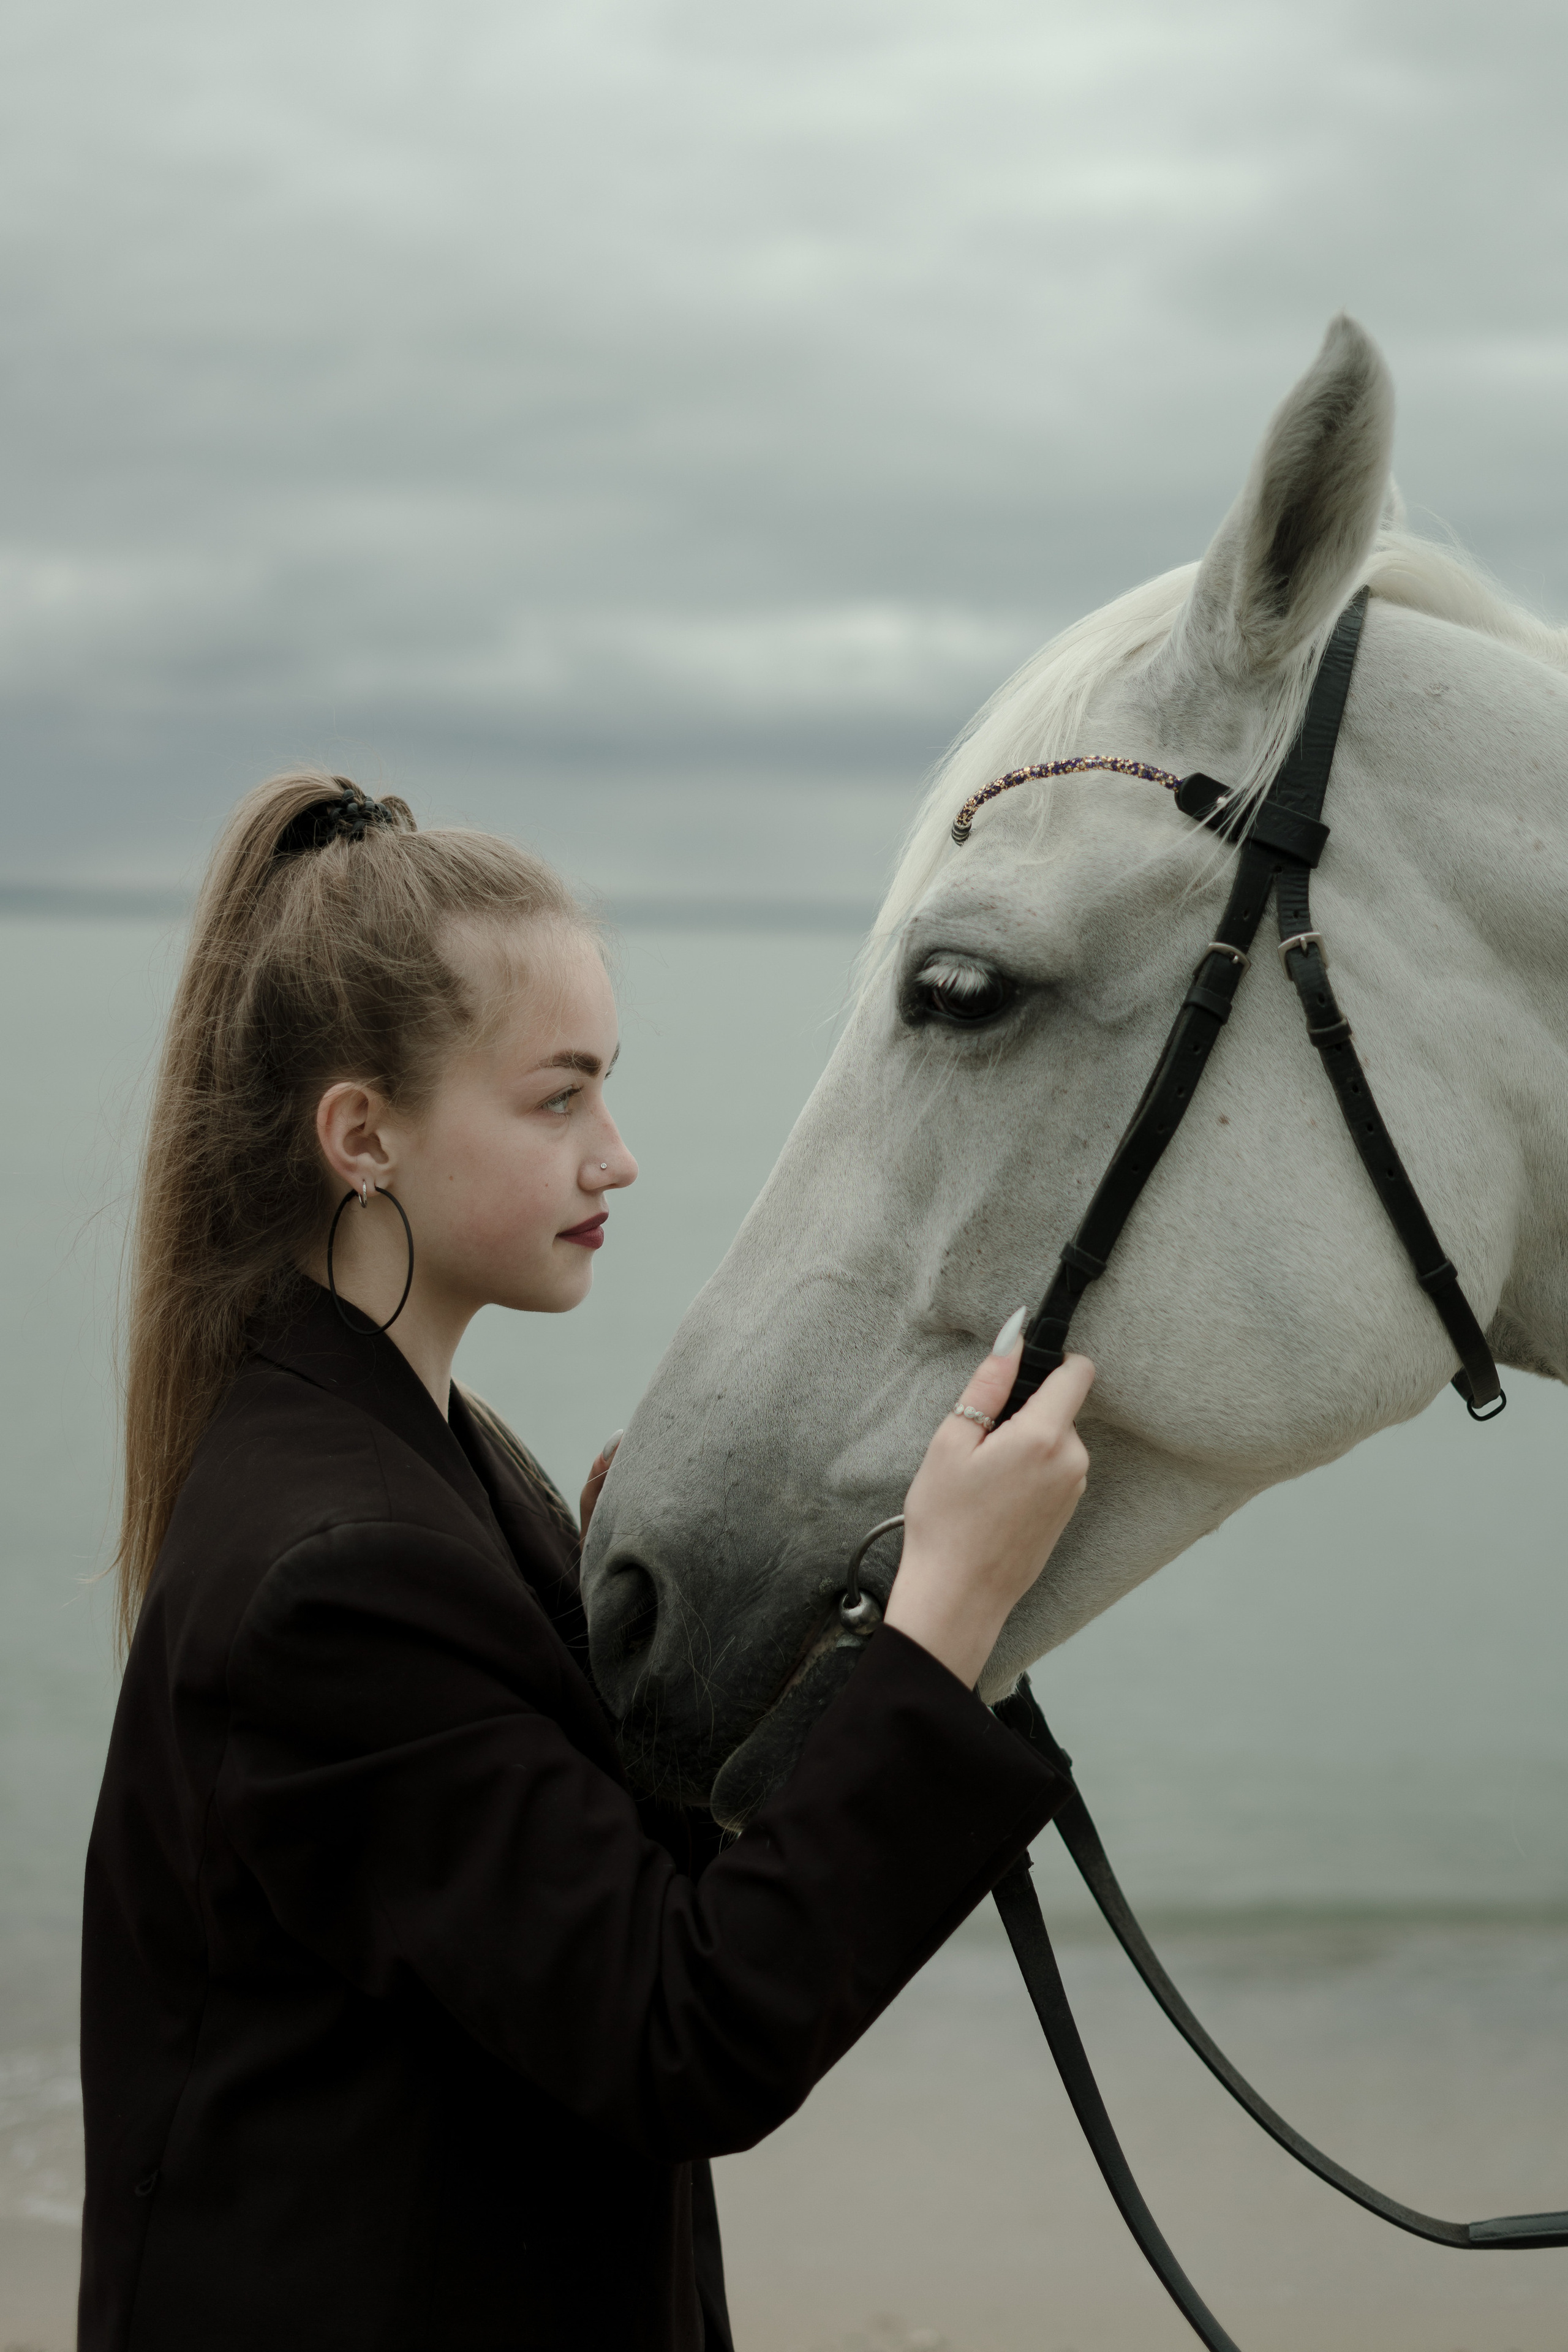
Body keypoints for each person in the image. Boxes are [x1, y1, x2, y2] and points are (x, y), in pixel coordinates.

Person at [78, 774, 1095, 2352]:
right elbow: (685, 2035)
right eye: (558, 1100)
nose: (616, 1157)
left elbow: (612, 1920)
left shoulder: (416, 1458)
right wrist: (945, 1617)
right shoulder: (338, 1573)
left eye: (605, 1090)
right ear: (363, 1137)